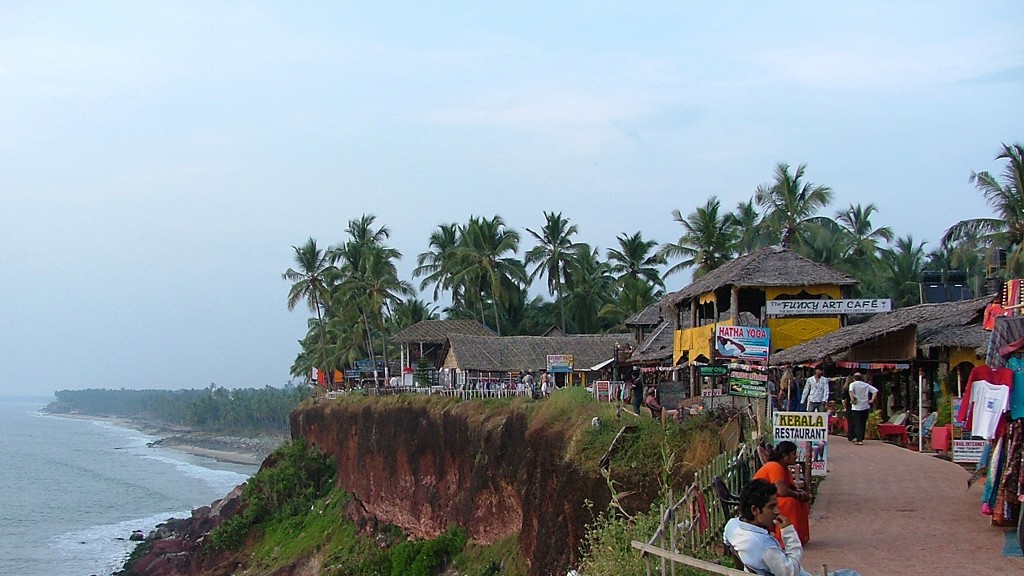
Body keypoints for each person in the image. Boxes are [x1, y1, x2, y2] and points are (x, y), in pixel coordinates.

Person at [724, 479, 862, 576]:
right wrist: (789, 534)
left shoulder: (732, 525)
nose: (777, 511)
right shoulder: (764, 546)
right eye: (771, 507)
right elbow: (791, 573)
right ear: (755, 510)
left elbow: (727, 543)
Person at [753, 441, 811, 546]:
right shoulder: (775, 466)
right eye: (793, 454)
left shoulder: (783, 468)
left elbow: (790, 487)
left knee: (799, 502)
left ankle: (799, 537)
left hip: (770, 498)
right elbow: (782, 491)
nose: (796, 456)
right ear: (785, 456)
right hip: (761, 500)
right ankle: (784, 540)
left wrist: (801, 494)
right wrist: (798, 495)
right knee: (789, 502)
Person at [847, 373, 877, 445]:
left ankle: (859, 439)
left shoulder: (852, 384)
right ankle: (861, 438)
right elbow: (875, 391)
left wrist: (852, 400)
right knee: (863, 423)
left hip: (856, 407)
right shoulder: (866, 385)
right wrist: (871, 400)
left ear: (854, 378)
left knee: (857, 423)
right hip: (865, 406)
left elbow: (851, 391)